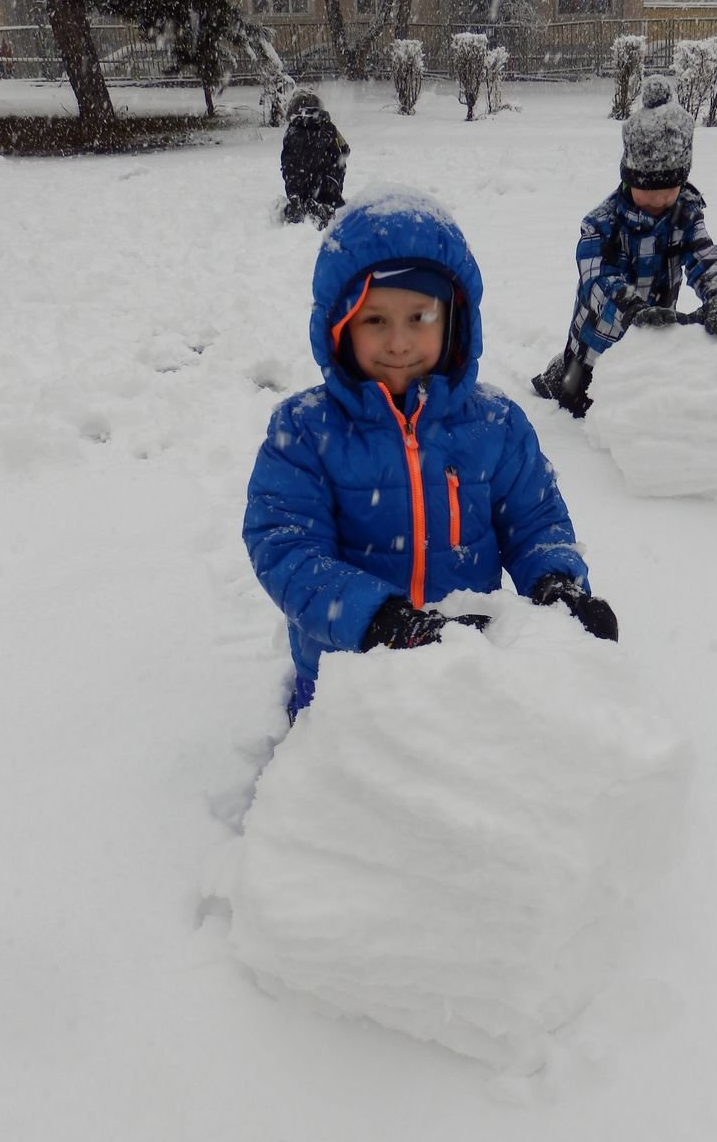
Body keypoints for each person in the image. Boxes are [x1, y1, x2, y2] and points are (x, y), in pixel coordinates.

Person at [243, 187, 619, 724]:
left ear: (454, 321)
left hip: (464, 663)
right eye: (375, 320)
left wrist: (554, 583)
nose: (398, 341)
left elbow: (536, 523)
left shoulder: (496, 425)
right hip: (348, 672)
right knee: (340, 797)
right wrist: (378, 620)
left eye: (419, 317)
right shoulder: (304, 432)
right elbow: (286, 548)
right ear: (338, 326)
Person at [532, 75, 717, 419]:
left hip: (652, 345)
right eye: (649, 186)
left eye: (671, 186)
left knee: (636, 408)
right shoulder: (601, 223)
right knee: (577, 406)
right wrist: (631, 307)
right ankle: (558, 377)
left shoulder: (684, 217)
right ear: (629, 177)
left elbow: (706, 258)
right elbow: (597, 278)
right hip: (596, 345)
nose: (661, 198)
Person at [280, 88, 350, 230]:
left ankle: (298, 202)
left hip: (297, 183)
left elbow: (286, 160)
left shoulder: (292, 131)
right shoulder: (329, 128)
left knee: (292, 171)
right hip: (326, 185)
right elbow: (344, 151)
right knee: (335, 170)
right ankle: (326, 206)